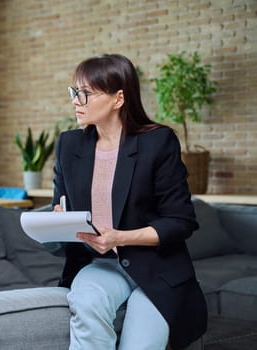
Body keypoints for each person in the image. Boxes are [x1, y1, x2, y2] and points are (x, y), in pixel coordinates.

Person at [53, 54, 207, 349]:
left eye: (85, 93)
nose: (76, 100)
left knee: (141, 341)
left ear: (118, 98)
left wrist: (119, 237)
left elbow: (181, 221)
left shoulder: (158, 142)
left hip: (157, 268)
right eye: (74, 92)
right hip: (100, 265)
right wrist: (58, 221)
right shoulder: (69, 145)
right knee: (86, 302)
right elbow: (59, 208)